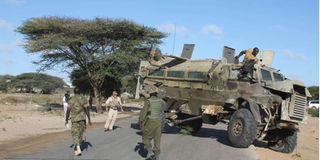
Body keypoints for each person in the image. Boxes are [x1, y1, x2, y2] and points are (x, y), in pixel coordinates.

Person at [139, 88, 166, 160]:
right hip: (159, 122)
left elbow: (144, 112)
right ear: (156, 94)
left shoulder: (148, 101)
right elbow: (163, 112)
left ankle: (150, 151)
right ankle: (157, 155)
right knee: (157, 139)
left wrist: (141, 122)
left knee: (145, 137)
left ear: (150, 94)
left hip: (150, 121)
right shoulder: (162, 101)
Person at [65, 90, 92, 156]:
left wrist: (66, 120)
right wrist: (89, 119)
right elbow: (87, 110)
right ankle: (77, 147)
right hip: (82, 119)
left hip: (74, 119)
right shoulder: (83, 99)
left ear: (74, 92)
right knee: (80, 133)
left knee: (75, 134)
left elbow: (68, 111)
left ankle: (77, 147)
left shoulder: (71, 100)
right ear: (80, 92)